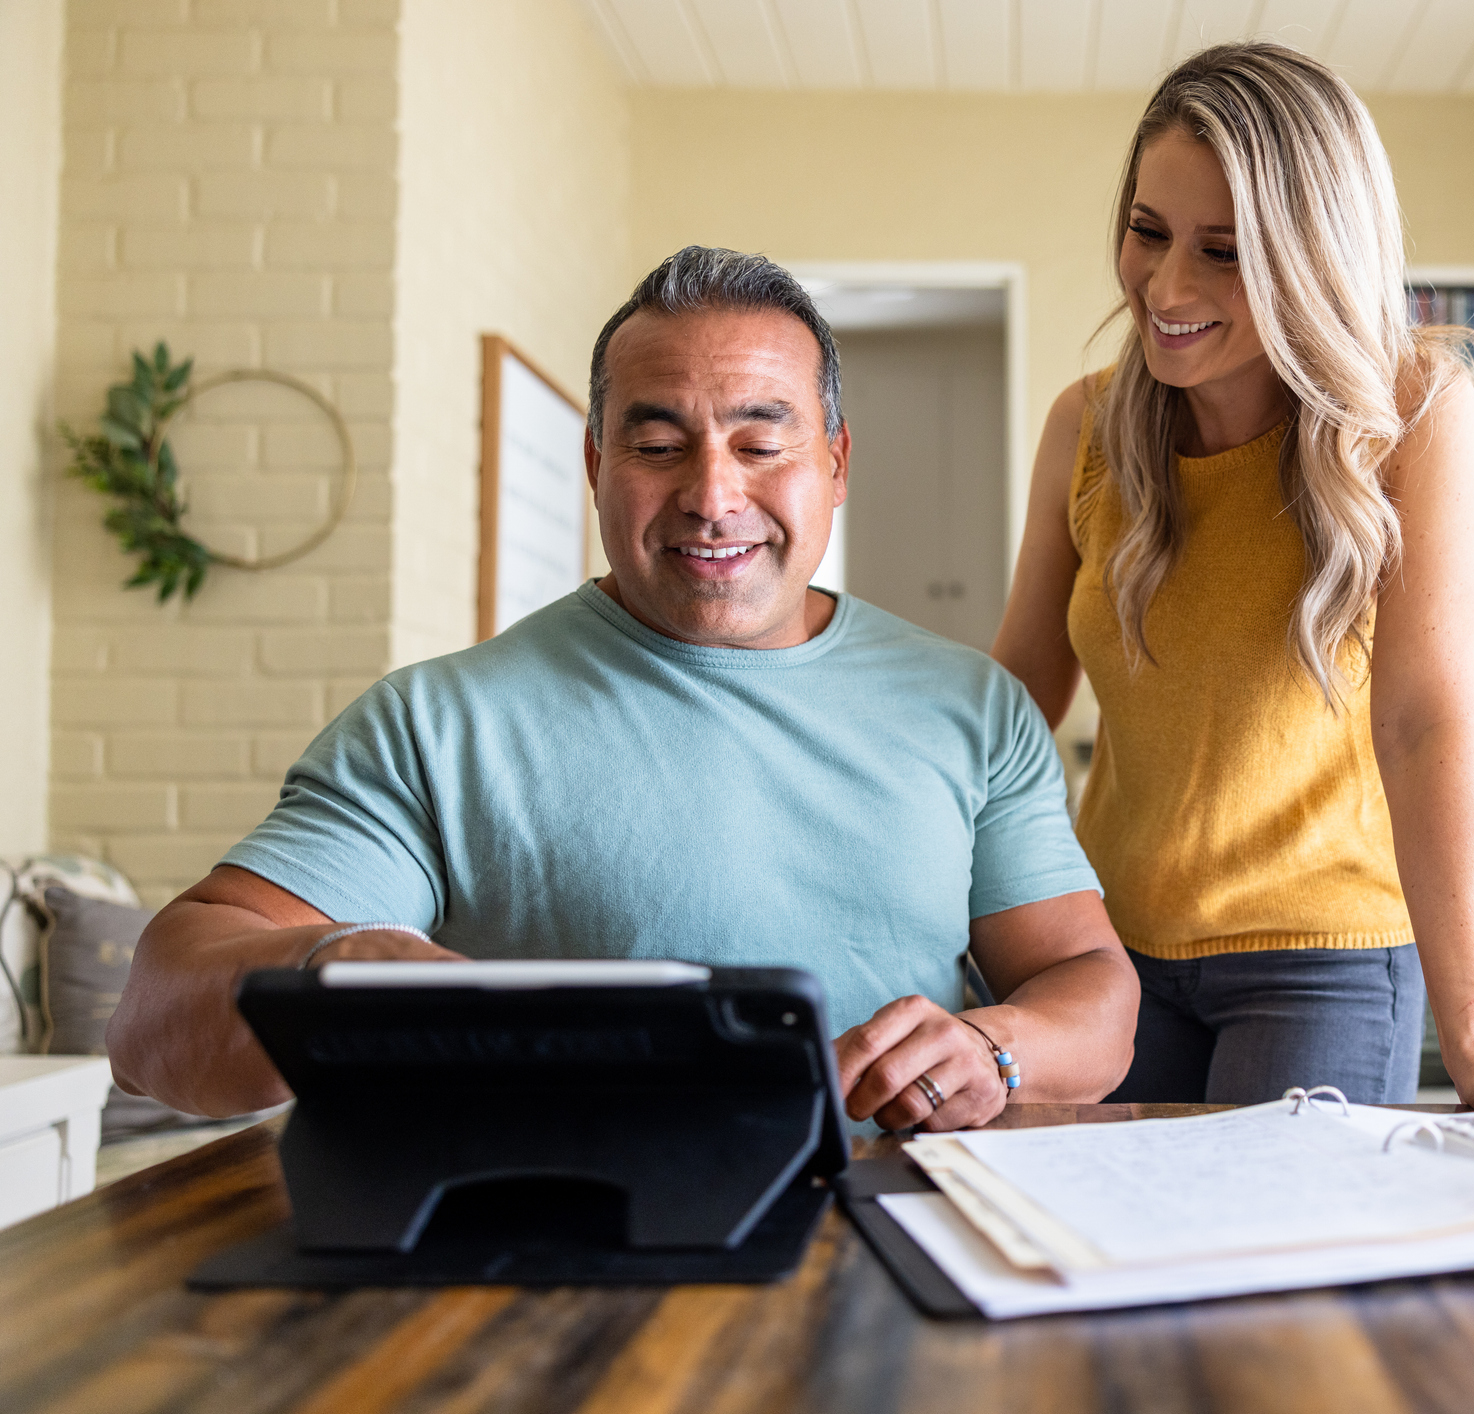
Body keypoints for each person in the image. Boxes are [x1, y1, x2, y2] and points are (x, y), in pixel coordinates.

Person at [107, 246, 1137, 1133]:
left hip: (893, 1238)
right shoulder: (437, 726)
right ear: (596, 463)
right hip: (550, 1245)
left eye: (761, 442)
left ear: (834, 463)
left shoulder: (973, 709)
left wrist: (993, 1049)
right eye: (655, 445)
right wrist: (327, 966)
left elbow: (1091, 992)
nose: (710, 495)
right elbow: (152, 1020)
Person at [990, 44, 1474, 1110]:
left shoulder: (1416, 412)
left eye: (1224, 252)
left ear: (1314, 254)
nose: (1166, 287)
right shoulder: (1085, 423)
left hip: (1320, 958)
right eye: (1148, 232)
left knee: (1272, 1274)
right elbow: (1008, 707)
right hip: (1108, 953)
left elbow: (1425, 726)